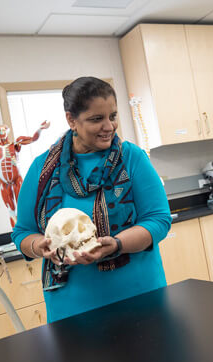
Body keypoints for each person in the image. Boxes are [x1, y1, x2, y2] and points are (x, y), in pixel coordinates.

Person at [11, 76, 172, 322]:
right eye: (97, 119)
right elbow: (22, 232)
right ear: (71, 120)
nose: (109, 126)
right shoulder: (41, 169)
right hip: (73, 309)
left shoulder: (132, 158)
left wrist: (117, 244)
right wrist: (39, 246)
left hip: (140, 299)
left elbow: (159, 220)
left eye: (113, 116)